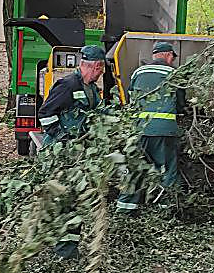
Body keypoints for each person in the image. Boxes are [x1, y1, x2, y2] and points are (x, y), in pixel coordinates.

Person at [38, 43, 106, 258]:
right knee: (63, 199)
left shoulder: (93, 90)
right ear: (95, 66)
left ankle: (67, 248)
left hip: (78, 153)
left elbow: (94, 115)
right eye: (101, 69)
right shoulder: (67, 85)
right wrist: (61, 137)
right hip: (60, 153)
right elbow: (46, 113)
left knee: (73, 199)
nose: (101, 73)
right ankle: (62, 249)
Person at [116, 39, 185, 213]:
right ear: (168, 55)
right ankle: (165, 213)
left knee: (135, 169)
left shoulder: (138, 72)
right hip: (164, 131)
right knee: (167, 171)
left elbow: (131, 99)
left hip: (139, 130)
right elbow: (181, 103)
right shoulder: (173, 73)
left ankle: (125, 211)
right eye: (172, 58)